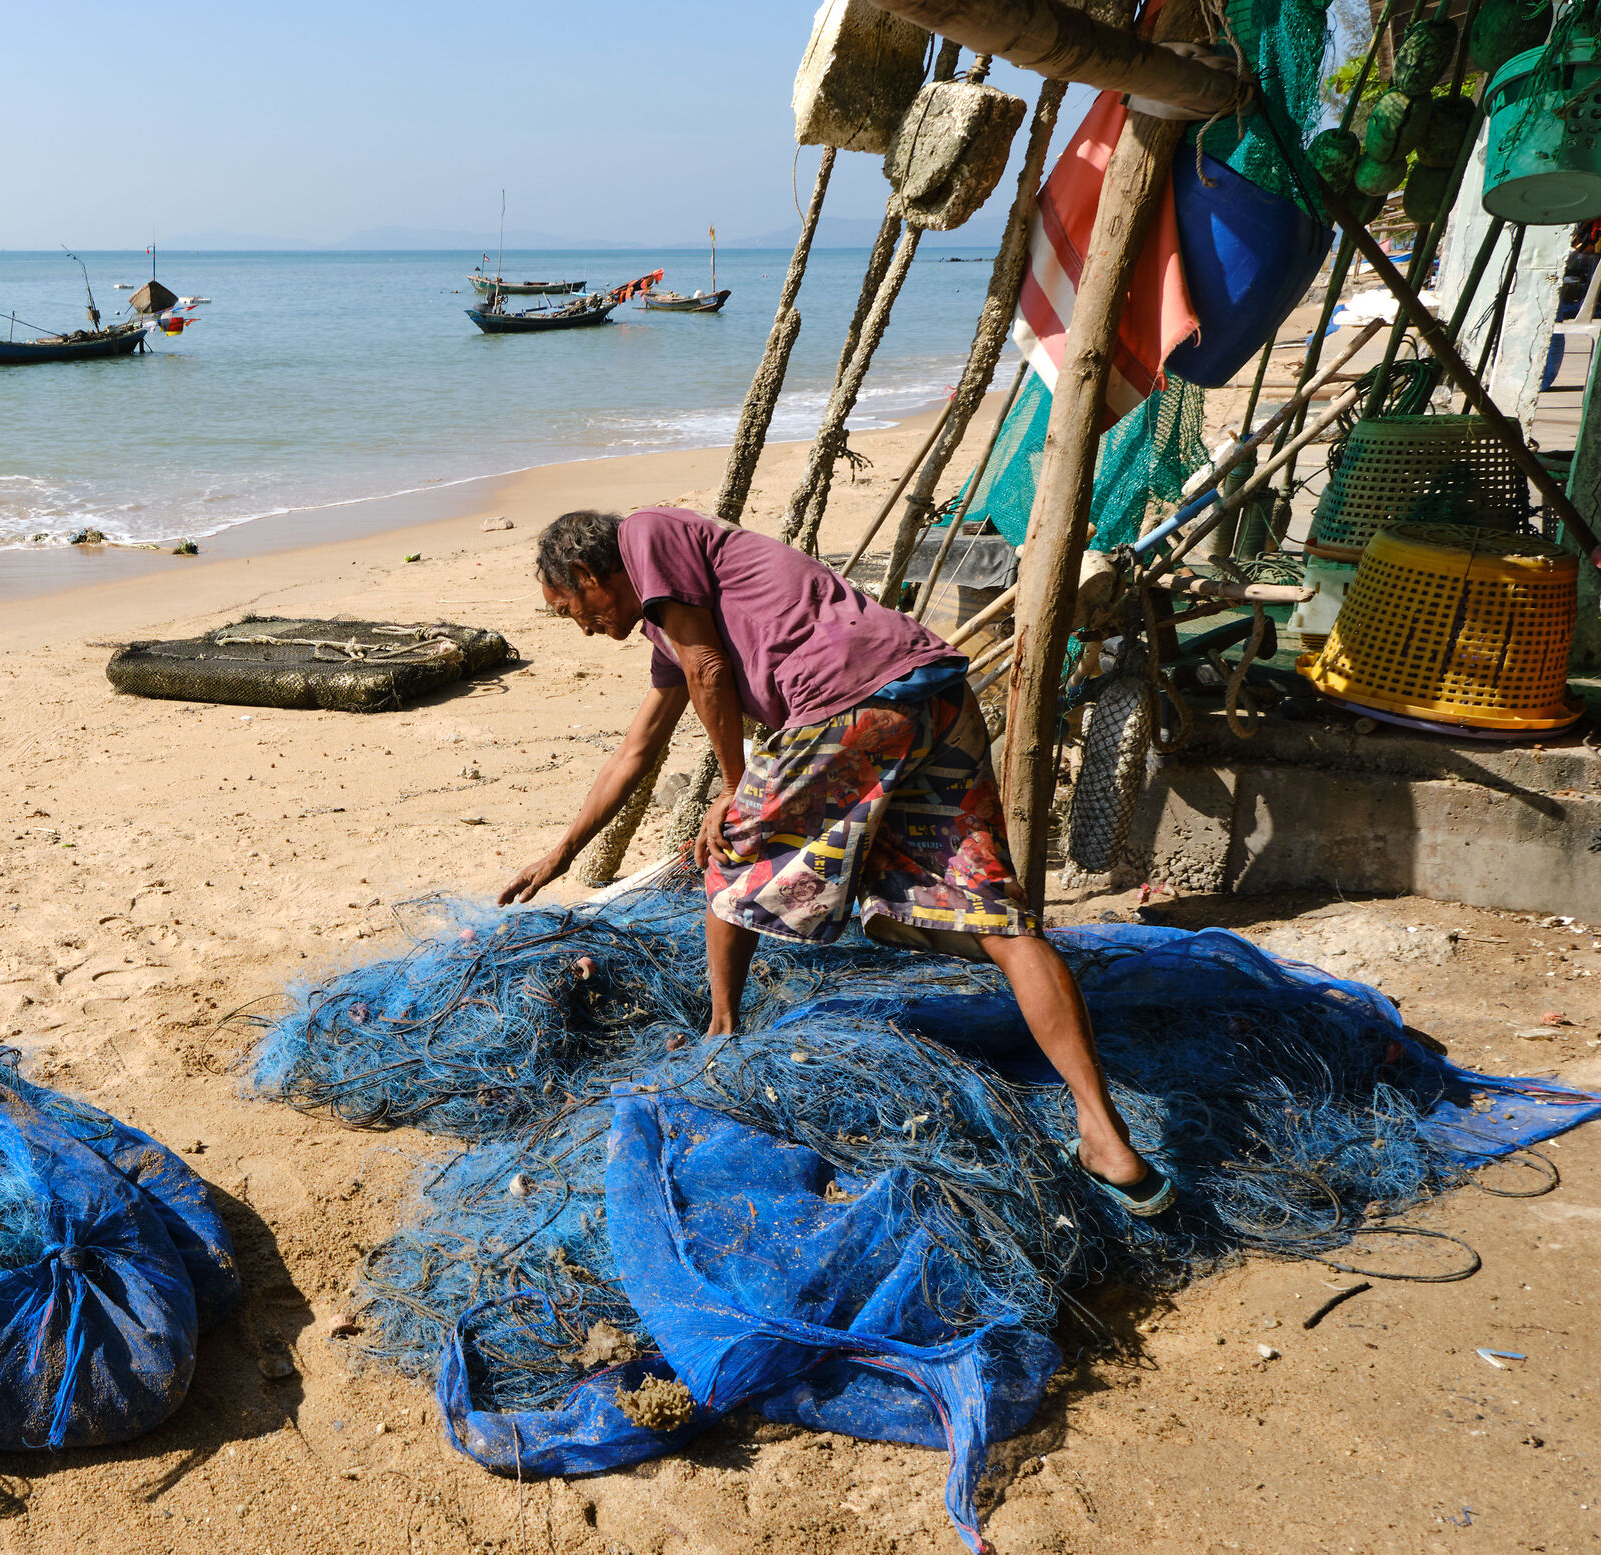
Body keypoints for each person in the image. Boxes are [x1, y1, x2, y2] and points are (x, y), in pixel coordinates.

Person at [501, 506, 1172, 1215]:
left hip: (852, 699)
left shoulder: (647, 533)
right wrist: (560, 852)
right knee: (998, 919)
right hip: (934, 696)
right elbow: (638, 747)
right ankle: (1107, 1138)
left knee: (726, 850)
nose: (582, 627)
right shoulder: (670, 624)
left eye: (570, 608)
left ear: (588, 572)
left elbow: (709, 668)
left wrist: (733, 789)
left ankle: (721, 1032)